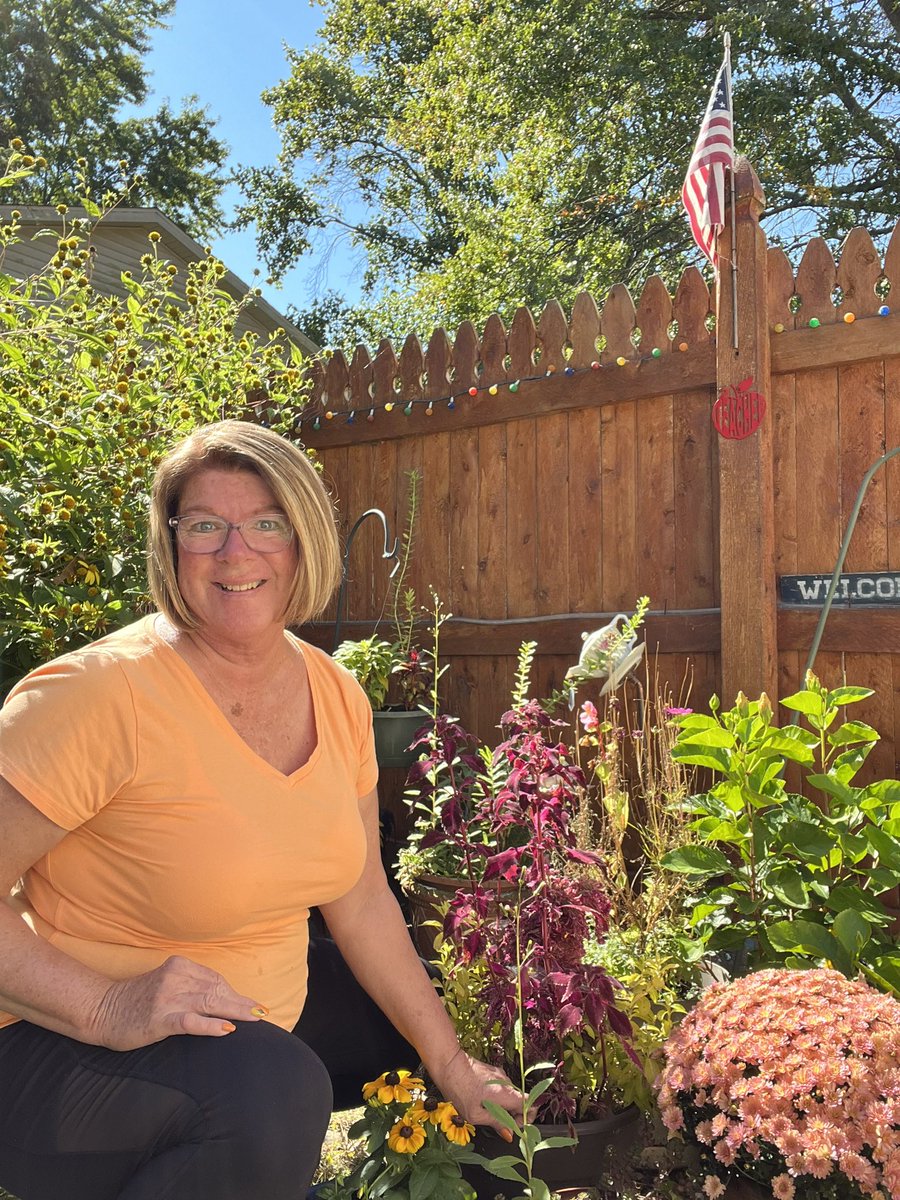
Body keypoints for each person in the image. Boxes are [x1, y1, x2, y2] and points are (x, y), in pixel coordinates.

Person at [0, 420, 521, 1200]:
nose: (235, 552)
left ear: (303, 540)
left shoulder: (334, 693)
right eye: (205, 525)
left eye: (265, 523)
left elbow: (361, 895)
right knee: (271, 1094)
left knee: (450, 1080)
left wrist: (449, 1061)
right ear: (172, 543)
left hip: (243, 1034)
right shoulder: (97, 695)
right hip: (55, 1050)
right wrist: (108, 1005)